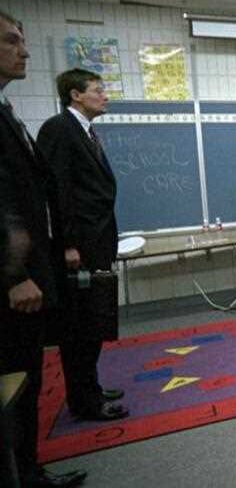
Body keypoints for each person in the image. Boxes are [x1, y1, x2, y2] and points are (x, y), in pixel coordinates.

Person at [0, 9, 88, 487]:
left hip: (31, 273)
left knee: (27, 380)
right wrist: (12, 274)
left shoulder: (8, 113)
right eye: (12, 41)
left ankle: (30, 471)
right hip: (15, 282)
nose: (25, 49)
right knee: (15, 383)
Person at [36, 69, 128, 422]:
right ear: (75, 95)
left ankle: (90, 387)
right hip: (80, 246)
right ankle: (84, 401)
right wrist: (68, 244)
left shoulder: (86, 130)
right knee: (79, 326)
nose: (104, 96)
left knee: (94, 322)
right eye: (97, 90)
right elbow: (57, 192)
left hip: (98, 238)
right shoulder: (59, 129)